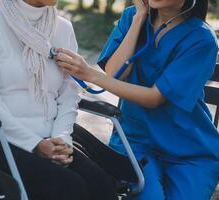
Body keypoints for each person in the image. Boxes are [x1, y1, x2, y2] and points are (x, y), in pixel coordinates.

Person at [55, 0, 219, 199]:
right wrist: (139, 19)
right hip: (134, 141)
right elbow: (115, 73)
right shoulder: (132, 16)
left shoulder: (201, 39)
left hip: (189, 150)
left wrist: (89, 74)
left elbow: (154, 98)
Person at [0, 0, 117, 199]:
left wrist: (62, 138)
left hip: (50, 136)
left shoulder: (62, 28)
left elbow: (68, 96)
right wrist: (35, 144)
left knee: (103, 186)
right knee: (70, 187)